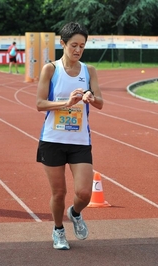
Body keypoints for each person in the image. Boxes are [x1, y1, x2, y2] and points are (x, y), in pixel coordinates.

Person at [36, 22, 104, 250]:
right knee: (59, 193)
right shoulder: (50, 69)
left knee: (84, 193)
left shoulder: (89, 71)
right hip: (53, 139)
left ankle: (75, 213)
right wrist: (66, 103)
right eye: (73, 45)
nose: (78, 50)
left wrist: (90, 99)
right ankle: (58, 230)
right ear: (62, 43)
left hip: (79, 141)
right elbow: (39, 104)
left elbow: (101, 103)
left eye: (82, 46)